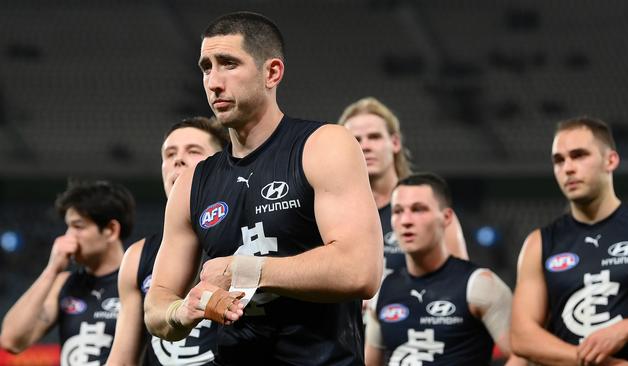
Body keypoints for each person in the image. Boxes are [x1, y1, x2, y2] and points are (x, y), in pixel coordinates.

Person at [143, 11, 383, 365]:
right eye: (206, 67)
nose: (213, 82)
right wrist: (184, 309)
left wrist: (245, 270)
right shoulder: (193, 182)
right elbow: (157, 306)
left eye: (228, 63)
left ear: (272, 72)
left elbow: (360, 270)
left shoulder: (323, 145)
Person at [511, 116, 628, 365]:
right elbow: (522, 337)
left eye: (579, 155)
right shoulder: (540, 243)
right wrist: (598, 362)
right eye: (558, 160)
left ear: (611, 160)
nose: (568, 168)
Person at [106, 117, 228, 365]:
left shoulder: (248, 235)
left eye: (193, 151)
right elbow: (121, 360)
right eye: (169, 153)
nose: (178, 159)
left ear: (223, 165)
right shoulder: (138, 255)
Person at [365, 173, 520, 365]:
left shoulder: (480, 284)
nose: (406, 220)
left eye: (418, 209)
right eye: (397, 211)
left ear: (446, 217)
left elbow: (522, 354)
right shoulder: (384, 290)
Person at [0, 180, 135, 366]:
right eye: (68, 227)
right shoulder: (64, 284)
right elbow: (11, 340)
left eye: (78, 226)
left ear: (111, 230)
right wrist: (51, 270)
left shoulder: (140, 281)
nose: (68, 236)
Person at [338, 97, 468, 279]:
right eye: (356, 140)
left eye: (374, 137)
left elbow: (460, 286)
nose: (365, 146)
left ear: (395, 142)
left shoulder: (429, 207)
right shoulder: (331, 211)